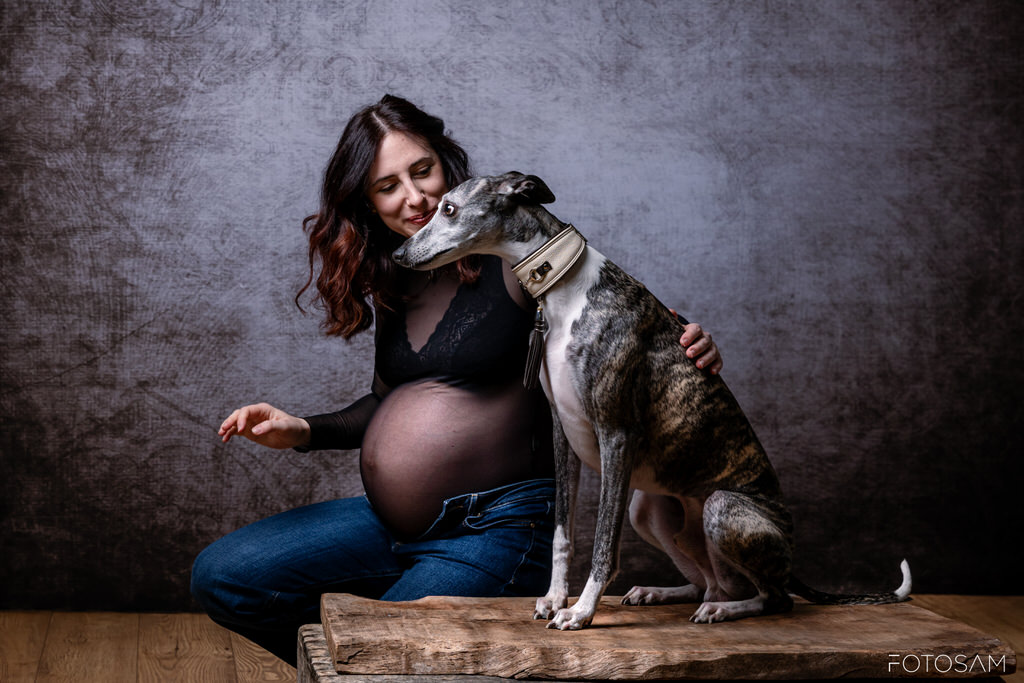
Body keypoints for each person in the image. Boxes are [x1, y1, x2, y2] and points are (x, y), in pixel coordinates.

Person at [190, 95, 723, 664]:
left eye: (423, 171)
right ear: (366, 203)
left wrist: (688, 342)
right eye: (387, 185)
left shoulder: (517, 256)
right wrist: (301, 429)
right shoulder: (400, 273)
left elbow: (624, 320)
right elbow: (386, 402)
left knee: (380, 652)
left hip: (501, 527)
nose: (415, 197)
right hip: (393, 525)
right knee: (224, 576)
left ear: (447, 164)